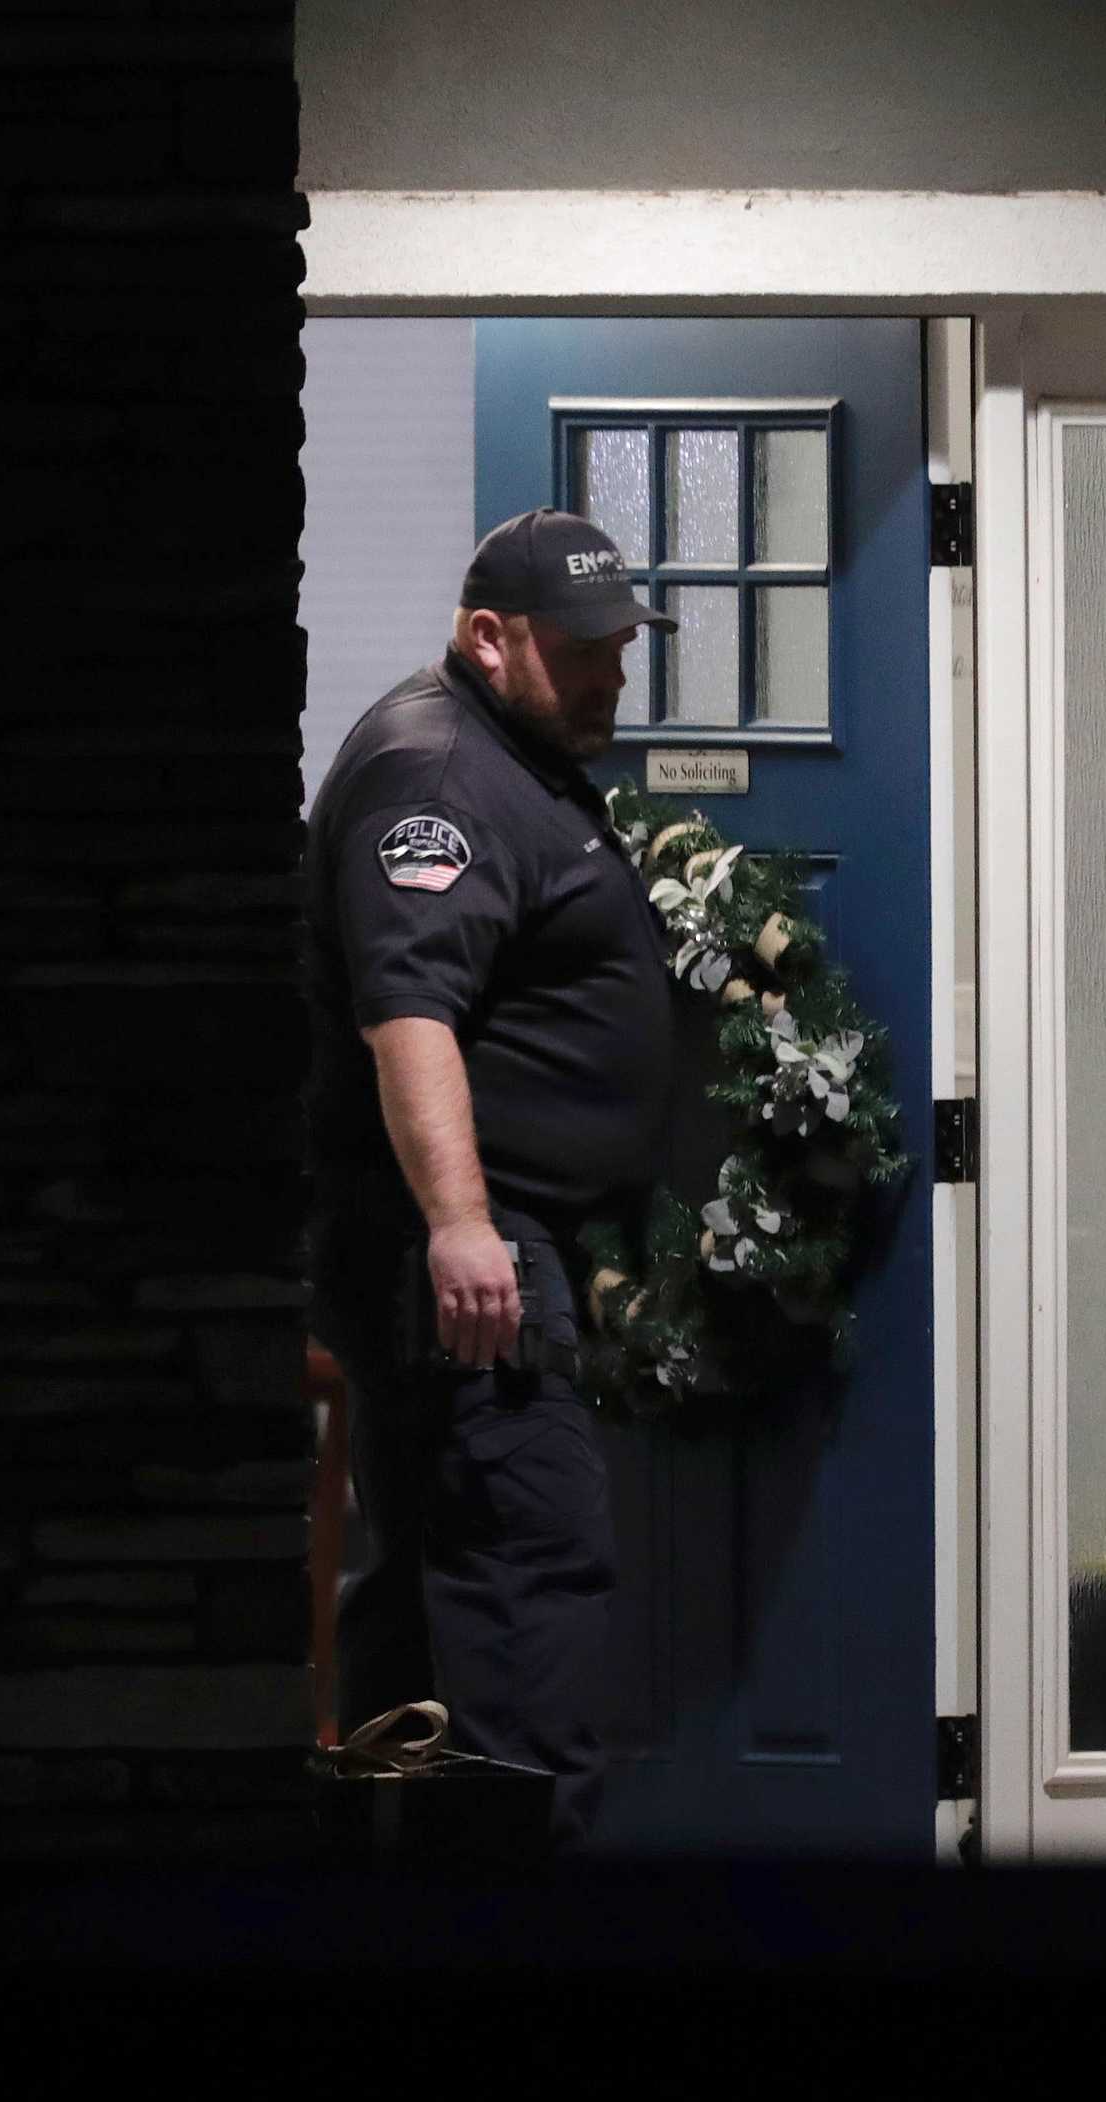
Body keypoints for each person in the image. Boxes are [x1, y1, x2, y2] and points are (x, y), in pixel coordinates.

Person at [301, 508, 675, 1846]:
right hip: (465, 1262)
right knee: (526, 1587)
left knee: (427, 1602)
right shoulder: (440, 773)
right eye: (582, 650)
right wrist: (465, 1226)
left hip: (476, 1248)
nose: (613, 673)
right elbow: (410, 1013)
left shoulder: (509, 754)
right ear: (488, 638)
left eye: (622, 646)